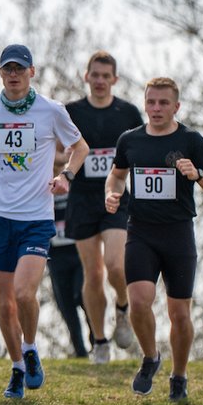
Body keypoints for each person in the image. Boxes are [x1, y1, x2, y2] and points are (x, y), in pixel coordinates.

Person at [0, 44, 88, 399]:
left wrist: (67, 178)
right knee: (5, 302)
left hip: (36, 218)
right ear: (0, 73)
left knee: (25, 293)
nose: (13, 75)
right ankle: (16, 367)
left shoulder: (50, 111)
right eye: (7, 69)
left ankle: (30, 347)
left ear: (32, 72)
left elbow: (80, 147)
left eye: (20, 69)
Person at [104, 77, 203, 402]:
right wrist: (112, 194)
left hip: (178, 235)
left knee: (180, 315)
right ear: (145, 104)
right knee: (140, 301)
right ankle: (150, 358)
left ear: (176, 106)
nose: (156, 108)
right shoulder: (130, 140)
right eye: (151, 102)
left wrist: (198, 175)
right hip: (141, 232)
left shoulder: (190, 139)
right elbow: (117, 175)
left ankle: (179, 375)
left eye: (163, 103)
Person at [65, 51, 144, 363]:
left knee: (115, 265)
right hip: (81, 200)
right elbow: (57, 152)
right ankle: (99, 340)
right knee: (93, 274)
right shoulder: (70, 111)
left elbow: (143, 149)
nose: (99, 81)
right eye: (94, 75)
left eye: (105, 75)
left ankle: (123, 309)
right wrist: (71, 161)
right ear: (86, 76)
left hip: (116, 197)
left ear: (115, 79)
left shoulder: (128, 113)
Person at [48, 192, 90, 358]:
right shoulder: (43, 180)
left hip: (80, 252)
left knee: (83, 295)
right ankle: (80, 351)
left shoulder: (76, 179)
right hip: (55, 256)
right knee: (65, 305)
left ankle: (96, 337)